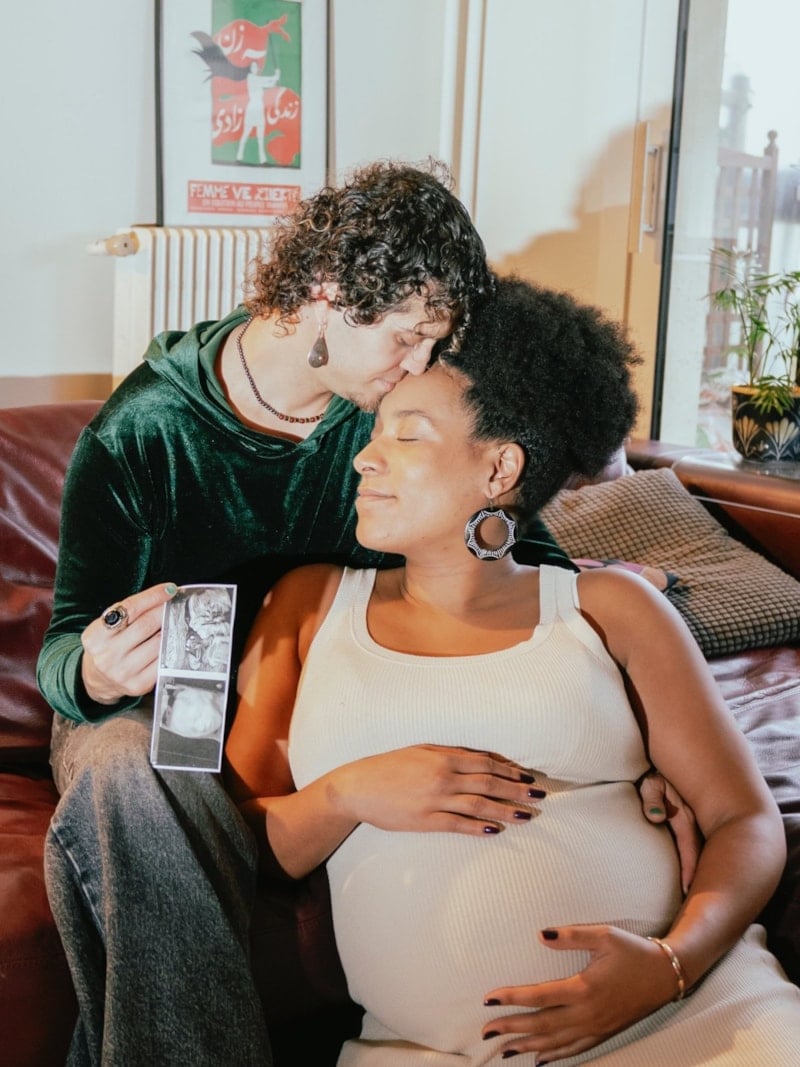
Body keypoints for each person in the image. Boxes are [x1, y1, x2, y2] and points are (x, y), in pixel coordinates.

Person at [226, 275, 800, 1065]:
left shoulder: (611, 607)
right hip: (427, 1052)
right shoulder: (308, 606)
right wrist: (346, 794)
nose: (364, 457)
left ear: (499, 469)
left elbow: (746, 820)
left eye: (407, 436)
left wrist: (671, 965)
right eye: (374, 430)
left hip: (697, 1020)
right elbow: (230, 845)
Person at [37, 159, 513, 1066]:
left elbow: (508, 549)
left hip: (319, 702)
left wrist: (621, 715)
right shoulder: (143, 431)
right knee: (128, 774)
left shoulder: (392, 418)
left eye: (434, 344)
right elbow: (62, 651)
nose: (420, 366)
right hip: (150, 717)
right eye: (408, 337)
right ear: (327, 291)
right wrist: (94, 668)